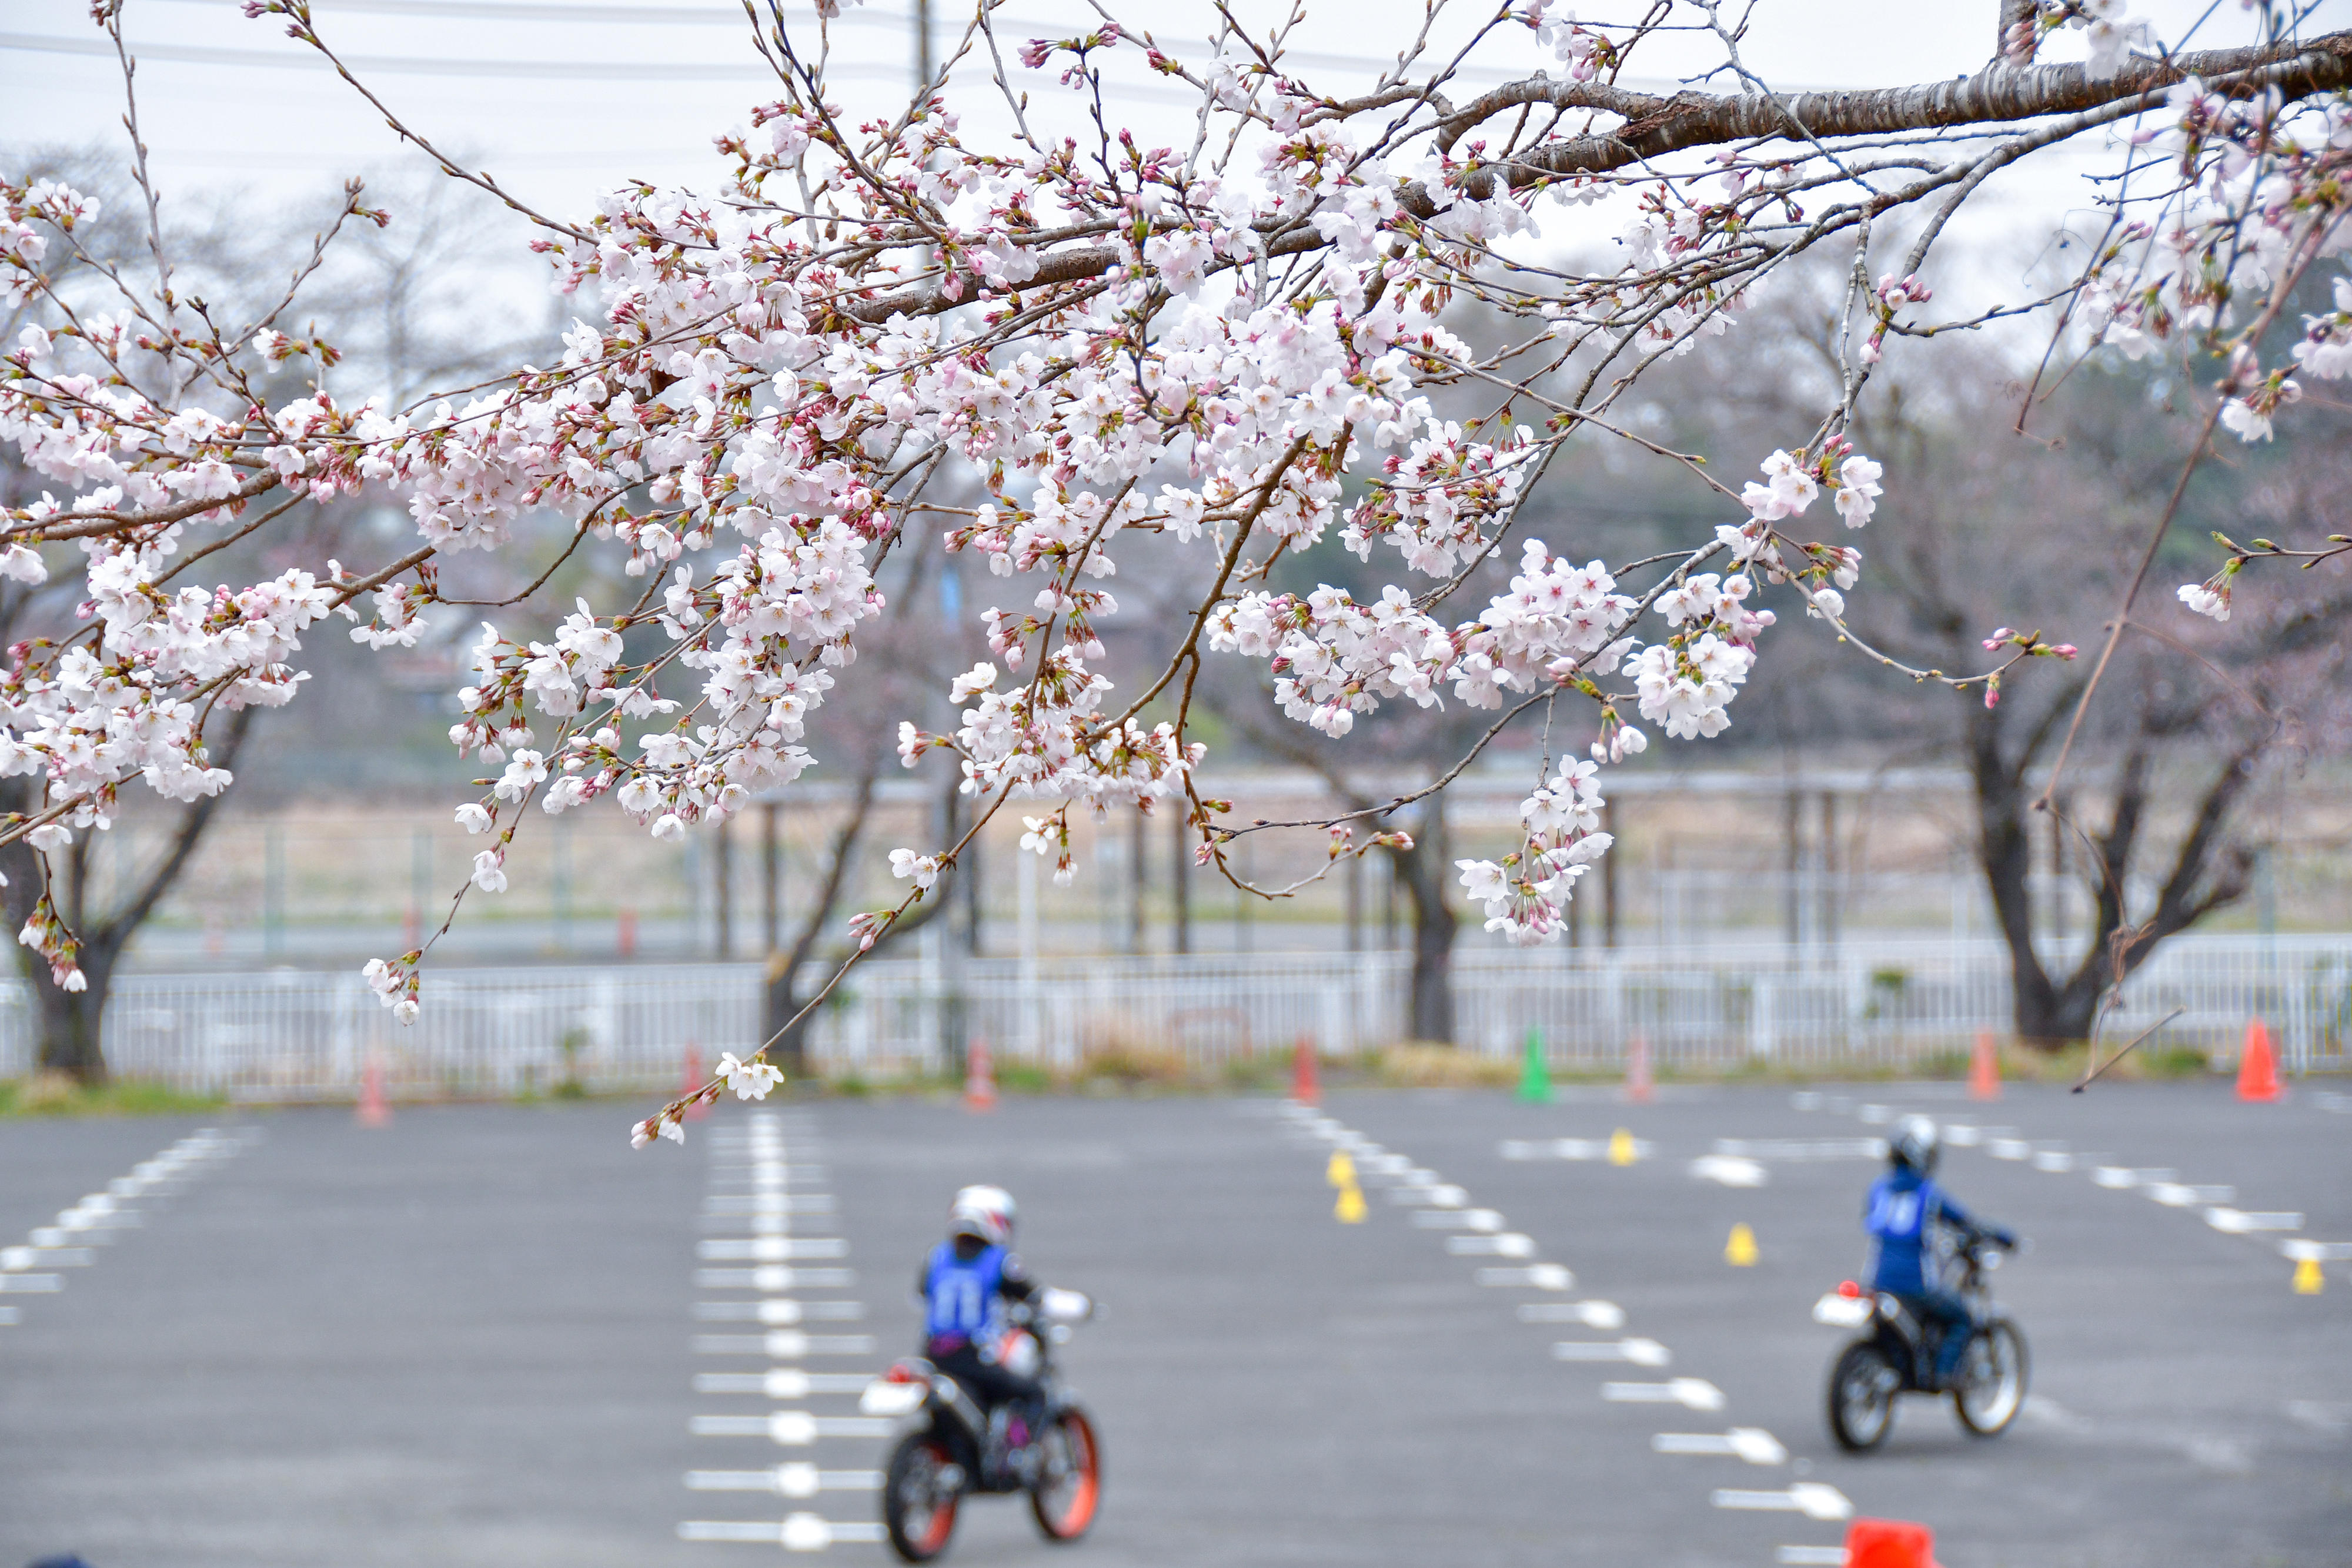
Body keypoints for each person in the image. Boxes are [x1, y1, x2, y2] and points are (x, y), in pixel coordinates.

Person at [1863, 1115, 2014, 1388]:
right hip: (1915, 1285)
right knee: (1962, 1318)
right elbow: (1968, 1222)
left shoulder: (1878, 1190)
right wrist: (2004, 1236)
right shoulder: (1928, 1194)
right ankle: (1941, 1375)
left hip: (1876, 1282)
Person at [916, 1185, 1043, 1427]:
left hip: (933, 1354)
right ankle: (1016, 1456)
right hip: (973, 1357)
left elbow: (920, 1296)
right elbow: (1035, 1297)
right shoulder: (998, 1260)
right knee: (1033, 1393)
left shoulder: (936, 1257)